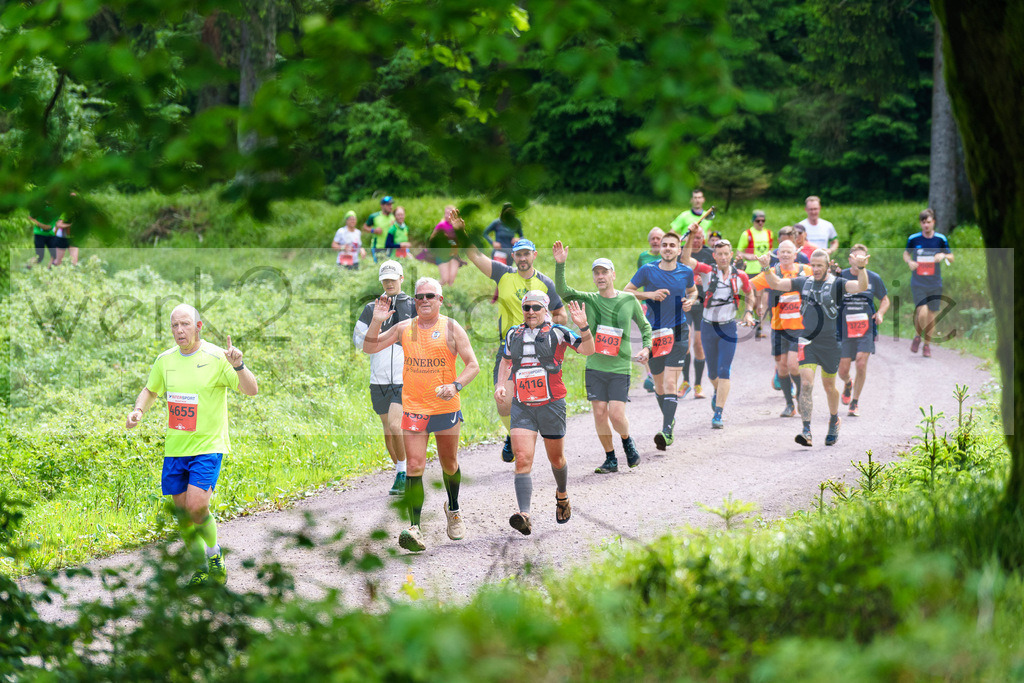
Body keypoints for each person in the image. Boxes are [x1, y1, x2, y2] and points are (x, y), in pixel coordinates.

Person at [125, 304, 258, 586]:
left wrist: (239, 366)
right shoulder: (165, 360)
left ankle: (213, 555)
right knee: (184, 515)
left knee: (197, 506)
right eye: (174, 326)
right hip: (176, 449)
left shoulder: (216, 357)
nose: (179, 331)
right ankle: (199, 568)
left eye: (185, 324)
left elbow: (251, 389)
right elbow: (151, 390)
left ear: (198, 327)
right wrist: (139, 410)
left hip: (208, 445)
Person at [362, 277, 480, 553]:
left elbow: (473, 365)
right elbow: (369, 347)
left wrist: (455, 385)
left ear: (440, 300)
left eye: (430, 296)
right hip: (414, 408)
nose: (424, 301)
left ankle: (453, 509)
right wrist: (377, 320)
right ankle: (414, 527)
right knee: (415, 466)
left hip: (445, 408)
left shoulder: (452, 328)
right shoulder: (405, 328)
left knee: (449, 463)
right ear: (414, 301)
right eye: (419, 297)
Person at [457, 212, 566, 463]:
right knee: (504, 402)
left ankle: (534, 438)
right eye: (519, 254)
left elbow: (561, 314)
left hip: (539, 350)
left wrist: (549, 325)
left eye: (527, 253)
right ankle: (512, 434)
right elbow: (474, 255)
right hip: (509, 348)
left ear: (534, 255)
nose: (523, 258)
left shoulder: (545, 283)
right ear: (513, 256)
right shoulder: (503, 274)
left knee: (540, 399)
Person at [496, 294, 593, 533]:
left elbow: (589, 350)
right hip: (522, 405)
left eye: (535, 308)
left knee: (556, 459)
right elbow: (506, 361)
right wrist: (501, 384)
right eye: (526, 308)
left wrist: (583, 326)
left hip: (551, 405)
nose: (530, 312)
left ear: (545, 309)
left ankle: (562, 495)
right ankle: (525, 514)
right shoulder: (513, 334)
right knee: (522, 458)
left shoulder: (558, 332)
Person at [553, 242, 652, 473]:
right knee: (599, 413)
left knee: (616, 415)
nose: (600, 276)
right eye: (596, 273)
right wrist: (560, 264)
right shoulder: (589, 299)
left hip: (619, 367)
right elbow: (563, 290)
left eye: (604, 272)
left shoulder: (629, 300)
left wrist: (647, 348)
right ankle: (610, 458)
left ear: (613, 275)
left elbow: (646, 328)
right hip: (596, 365)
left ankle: (627, 440)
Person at [756, 250, 869, 447]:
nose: (816, 269)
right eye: (813, 265)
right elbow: (775, 284)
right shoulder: (803, 282)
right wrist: (766, 267)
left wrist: (861, 268)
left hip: (831, 344)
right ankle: (806, 430)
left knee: (829, 387)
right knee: (806, 384)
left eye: (819, 265)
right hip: (807, 341)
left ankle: (834, 420)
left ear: (827, 265)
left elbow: (861, 285)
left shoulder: (838, 284)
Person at [624, 231, 697, 450]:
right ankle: (669, 418)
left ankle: (666, 430)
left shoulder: (686, 271)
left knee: (670, 383)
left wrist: (690, 302)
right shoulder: (648, 270)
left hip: (678, 331)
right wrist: (650, 295)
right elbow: (627, 291)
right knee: (658, 385)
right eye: (664, 244)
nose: (667, 248)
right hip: (653, 333)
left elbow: (693, 292)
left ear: (678, 249)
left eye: (672, 245)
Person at [353, 260, 417, 495]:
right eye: (385, 279)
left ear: (402, 278)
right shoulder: (371, 308)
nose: (389, 283)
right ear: (381, 281)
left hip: (405, 377)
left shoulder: (413, 305)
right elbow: (359, 342)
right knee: (388, 430)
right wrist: (377, 323)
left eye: (393, 278)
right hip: (378, 378)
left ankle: (404, 472)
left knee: (395, 424)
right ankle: (403, 470)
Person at [681, 230, 754, 428]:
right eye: (719, 254)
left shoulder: (742, 276)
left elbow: (750, 293)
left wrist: (748, 311)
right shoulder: (706, 270)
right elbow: (686, 259)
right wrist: (690, 236)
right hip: (708, 328)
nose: (723, 257)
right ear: (714, 256)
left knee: (724, 371)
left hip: (728, 328)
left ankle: (718, 414)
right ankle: (717, 392)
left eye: (726, 254)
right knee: (712, 374)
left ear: (731, 255)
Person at [750, 240, 812, 417]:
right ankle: (789, 404)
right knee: (782, 367)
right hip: (778, 328)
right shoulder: (772, 272)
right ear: (777, 255)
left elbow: (821, 279)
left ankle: (800, 395)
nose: (785, 255)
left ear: (795, 254)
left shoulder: (804, 271)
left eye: (788, 252)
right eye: (782, 252)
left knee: (793, 365)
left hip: (799, 327)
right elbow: (750, 285)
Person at [837, 244, 890, 417]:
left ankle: (855, 402)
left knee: (861, 362)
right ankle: (847, 383)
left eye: (863, 258)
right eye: (856, 257)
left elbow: (885, 300)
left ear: (867, 259)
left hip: (865, 327)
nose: (859, 260)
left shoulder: (873, 278)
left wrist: (880, 313)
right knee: (842, 370)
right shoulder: (841, 276)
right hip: (844, 328)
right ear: (850, 259)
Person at [904, 208, 953, 358]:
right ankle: (918, 335)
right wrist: (910, 262)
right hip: (918, 282)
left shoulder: (940, 239)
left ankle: (926, 344)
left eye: (929, 222)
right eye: (923, 222)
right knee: (922, 311)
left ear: (934, 222)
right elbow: (906, 253)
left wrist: (942, 255)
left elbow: (951, 257)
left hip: (935, 282)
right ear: (920, 223)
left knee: (931, 315)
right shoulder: (914, 239)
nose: (926, 225)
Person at [677, 226, 715, 400]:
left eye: (700, 237)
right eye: (694, 237)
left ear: (704, 239)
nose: (697, 240)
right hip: (685, 304)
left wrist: (704, 280)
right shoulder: (680, 254)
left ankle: (698, 384)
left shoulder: (709, 253)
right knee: (686, 341)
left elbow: (714, 276)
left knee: (699, 344)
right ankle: (685, 382)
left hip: (703, 305)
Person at [736, 210, 775, 340]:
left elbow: (770, 251)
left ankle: (759, 328)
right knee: (752, 298)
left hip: (763, 270)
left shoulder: (769, 234)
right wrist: (751, 257)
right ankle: (748, 317)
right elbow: (739, 252)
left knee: (761, 301)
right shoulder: (747, 234)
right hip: (750, 270)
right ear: (753, 221)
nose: (760, 223)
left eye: (763, 220)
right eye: (758, 220)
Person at [429, 205, 462, 286]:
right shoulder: (441, 225)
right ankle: (431, 287)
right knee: (444, 279)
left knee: (451, 280)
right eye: (445, 213)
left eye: (449, 214)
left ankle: (449, 296)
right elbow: (432, 238)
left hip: (454, 254)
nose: (447, 216)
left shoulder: (458, 225)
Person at [363, 196, 396, 263]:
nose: (391, 206)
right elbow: (365, 227)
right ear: (382, 206)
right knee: (379, 266)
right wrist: (374, 230)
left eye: (391, 204)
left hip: (391, 247)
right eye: (388, 204)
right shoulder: (374, 216)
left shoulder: (394, 217)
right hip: (378, 246)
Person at [28, 203, 60, 267]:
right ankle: (27, 267)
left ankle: (50, 270)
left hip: (51, 234)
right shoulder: (40, 206)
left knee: (55, 255)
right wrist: (41, 225)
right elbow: (30, 218)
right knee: (39, 257)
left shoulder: (58, 207)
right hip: (39, 234)